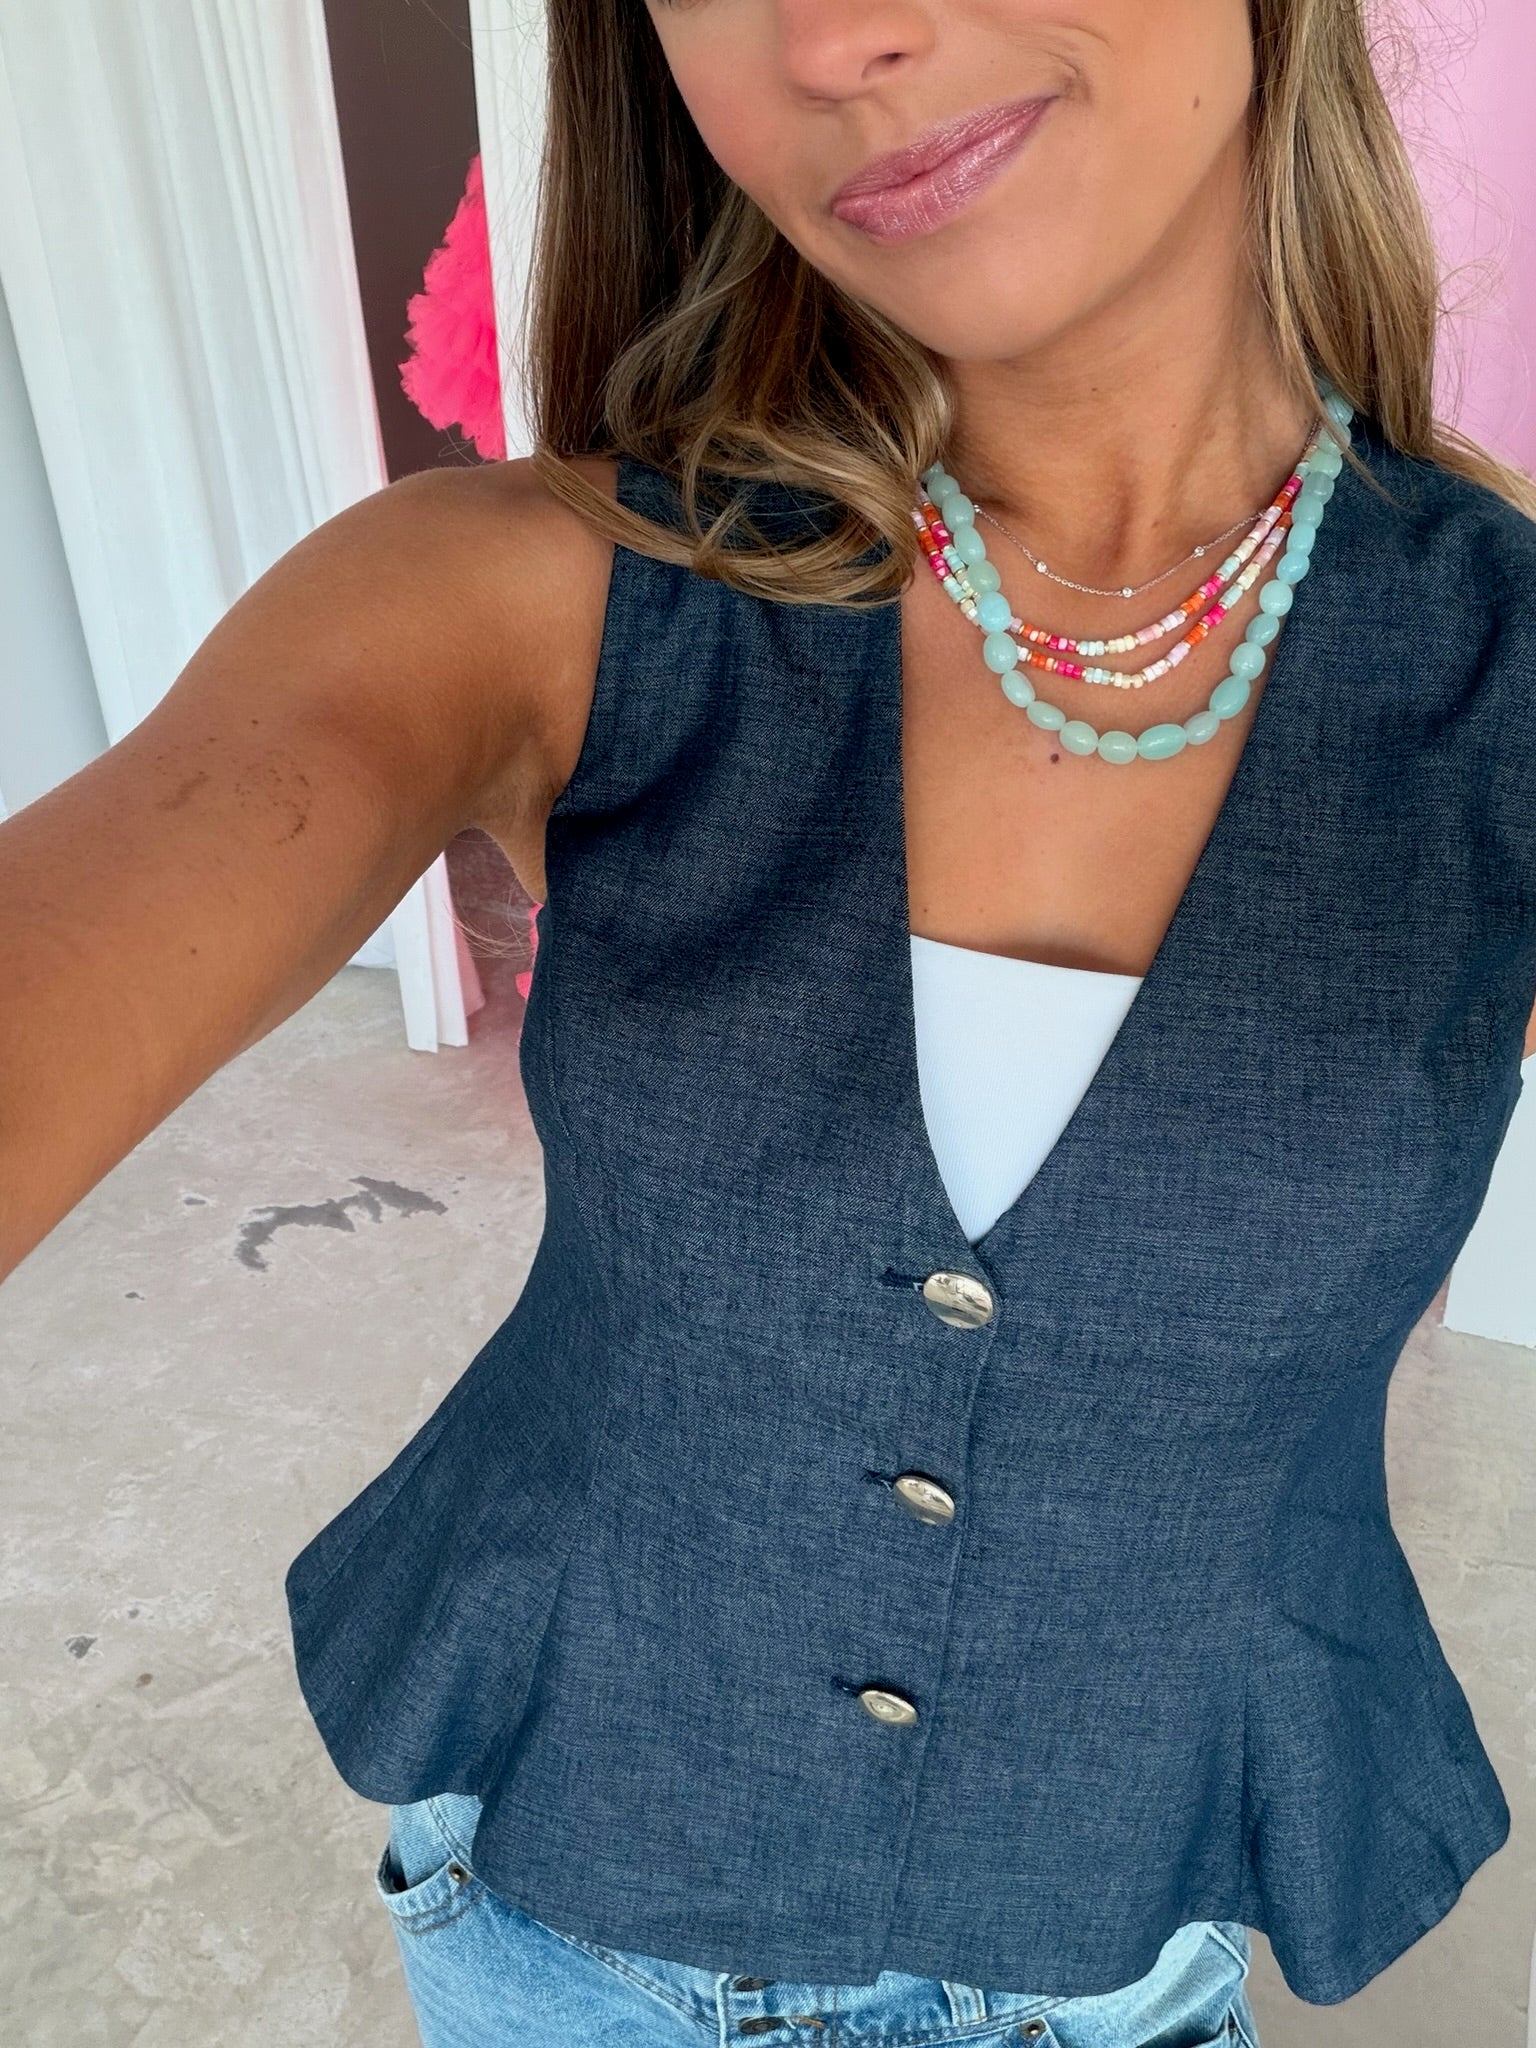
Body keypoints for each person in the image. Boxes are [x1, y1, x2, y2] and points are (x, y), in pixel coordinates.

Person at [3, 2, 1534, 2044]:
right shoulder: (532, 597)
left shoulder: (1502, 682)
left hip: (1113, 1956)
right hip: (560, 1944)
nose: (832, 35)